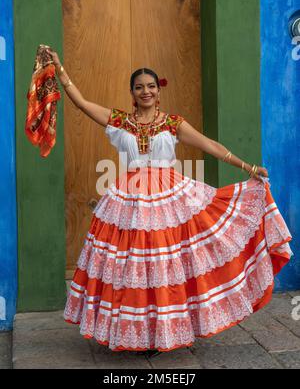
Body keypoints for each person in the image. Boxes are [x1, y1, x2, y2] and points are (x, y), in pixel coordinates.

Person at [46, 48, 293, 358]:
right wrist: (60, 70)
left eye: (151, 86)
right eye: (139, 87)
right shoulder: (119, 121)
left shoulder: (173, 123)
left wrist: (248, 167)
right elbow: (82, 104)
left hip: (169, 199)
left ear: (158, 90)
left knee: (168, 267)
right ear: (132, 93)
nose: (145, 91)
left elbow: (210, 145)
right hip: (128, 203)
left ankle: (169, 329)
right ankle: (137, 333)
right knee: (130, 268)